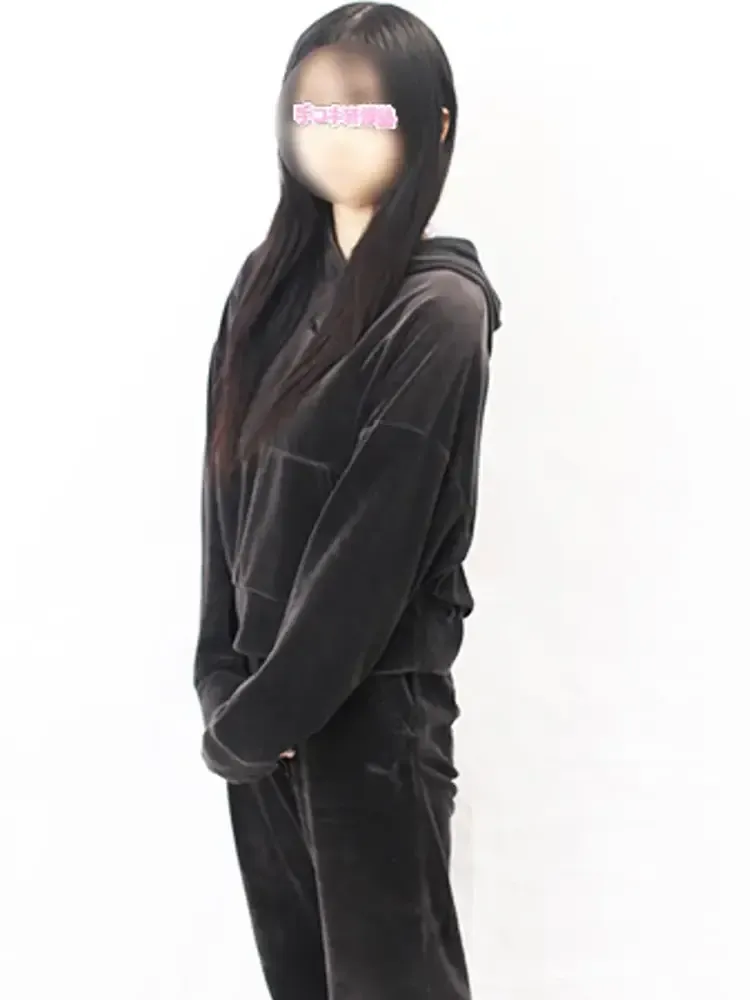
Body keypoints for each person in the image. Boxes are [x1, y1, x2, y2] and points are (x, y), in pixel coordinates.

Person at [192, 3, 502, 998]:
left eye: (364, 109)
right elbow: (225, 496)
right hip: (264, 722)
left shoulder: (439, 312)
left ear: (431, 124)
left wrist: (258, 716)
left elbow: (370, 552)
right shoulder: (267, 288)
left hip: (369, 732)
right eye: (314, 107)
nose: (333, 132)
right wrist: (220, 677)